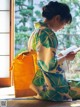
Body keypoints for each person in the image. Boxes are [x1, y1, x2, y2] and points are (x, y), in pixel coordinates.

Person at [28, 1, 80, 101]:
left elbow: (44, 60)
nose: (63, 27)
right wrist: (66, 57)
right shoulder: (48, 35)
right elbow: (49, 66)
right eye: (64, 24)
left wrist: (61, 55)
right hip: (51, 87)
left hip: (40, 83)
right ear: (57, 18)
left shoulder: (38, 31)